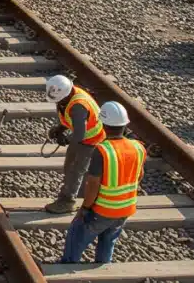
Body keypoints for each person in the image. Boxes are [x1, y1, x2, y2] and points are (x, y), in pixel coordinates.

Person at [60, 101, 146, 265]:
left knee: (76, 232)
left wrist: (84, 209)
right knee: (108, 239)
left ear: (104, 125)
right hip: (127, 208)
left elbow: (93, 185)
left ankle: (67, 265)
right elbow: (139, 175)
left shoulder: (102, 150)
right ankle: (103, 265)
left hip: (104, 209)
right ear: (125, 124)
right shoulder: (138, 147)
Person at [43, 75, 107, 214]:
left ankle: (67, 201)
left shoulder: (78, 106)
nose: (57, 102)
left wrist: (66, 139)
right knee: (71, 167)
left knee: (75, 169)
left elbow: (79, 134)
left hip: (91, 140)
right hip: (83, 137)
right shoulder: (67, 95)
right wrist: (60, 128)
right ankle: (84, 195)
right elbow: (69, 117)